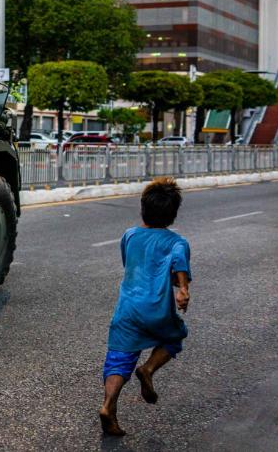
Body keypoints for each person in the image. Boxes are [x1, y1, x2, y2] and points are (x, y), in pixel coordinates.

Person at [99, 177, 192, 437]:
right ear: (172, 215)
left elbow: (129, 264)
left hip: (126, 310)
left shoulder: (129, 236)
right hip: (157, 311)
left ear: (143, 208)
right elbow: (179, 262)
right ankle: (148, 369)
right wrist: (183, 289)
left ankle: (108, 406)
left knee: (118, 360)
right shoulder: (177, 242)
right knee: (175, 336)